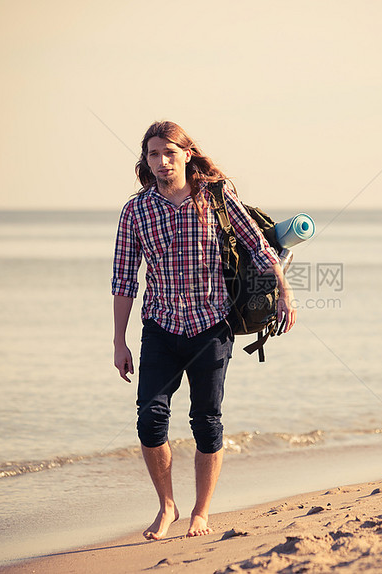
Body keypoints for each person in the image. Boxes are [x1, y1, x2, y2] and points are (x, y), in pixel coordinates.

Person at [112, 121, 296, 540]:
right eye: (153, 155)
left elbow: (257, 246)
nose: (160, 162)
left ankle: (201, 511)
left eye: (168, 154)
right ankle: (167, 507)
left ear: (186, 154)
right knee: (150, 419)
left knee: (206, 421)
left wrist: (285, 294)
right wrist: (119, 340)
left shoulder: (214, 196)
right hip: (159, 327)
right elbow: (124, 278)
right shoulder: (136, 211)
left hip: (211, 327)